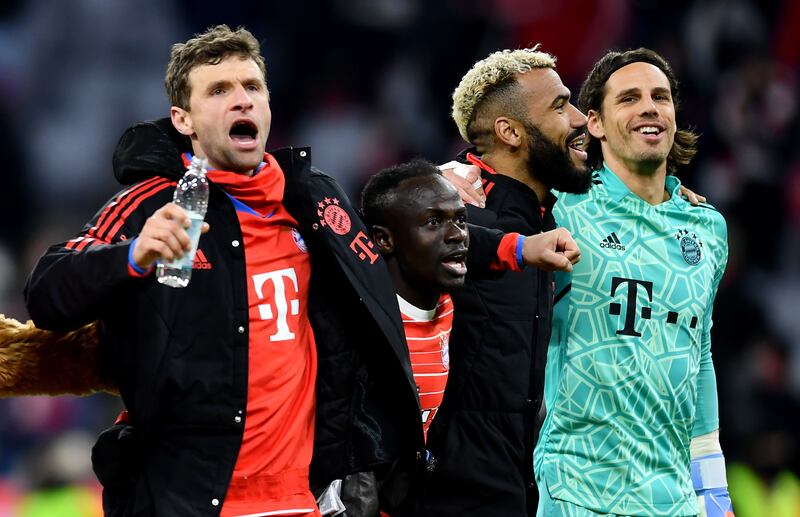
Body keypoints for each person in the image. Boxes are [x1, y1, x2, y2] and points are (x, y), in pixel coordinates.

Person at [19, 25, 581, 517]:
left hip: (300, 498)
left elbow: (401, 246)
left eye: (252, 88)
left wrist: (515, 249)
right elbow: (48, 293)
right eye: (219, 90)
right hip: (192, 496)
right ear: (183, 119)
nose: (241, 101)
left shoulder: (312, 200)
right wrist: (132, 257)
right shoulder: (152, 204)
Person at [534, 48, 734, 516]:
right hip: (578, 484)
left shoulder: (708, 228)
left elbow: (699, 354)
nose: (650, 107)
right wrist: (459, 171)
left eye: (660, 97)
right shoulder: (560, 206)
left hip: (674, 497)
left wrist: (711, 486)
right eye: (629, 98)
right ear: (596, 124)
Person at [419, 47, 593, 517]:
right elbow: (388, 224)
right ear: (510, 131)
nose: (580, 119)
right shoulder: (452, 204)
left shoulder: (547, 217)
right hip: (444, 496)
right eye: (560, 105)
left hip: (518, 489)